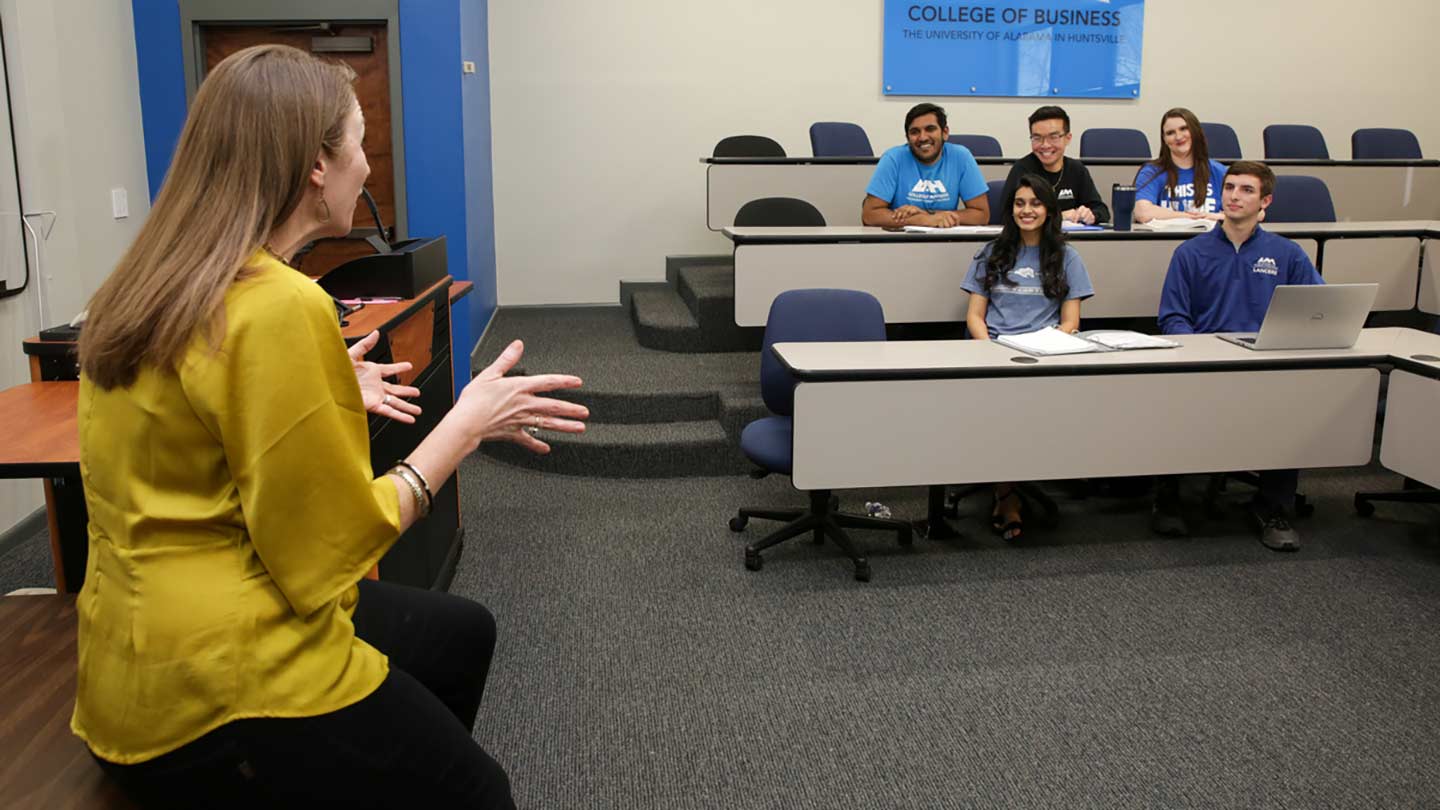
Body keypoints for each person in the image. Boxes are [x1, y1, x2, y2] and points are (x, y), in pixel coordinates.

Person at [71, 44, 589, 809]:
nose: (369, 168)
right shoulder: (279, 305)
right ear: (316, 163)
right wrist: (464, 424)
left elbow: (196, 420)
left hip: (130, 665)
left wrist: (323, 383)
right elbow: (330, 550)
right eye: (356, 142)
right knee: (481, 791)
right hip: (221, 687)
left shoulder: (153, 283)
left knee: (459, 633)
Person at [1153, 160, 1322, 551]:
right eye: (1229, 187)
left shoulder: (1287, 253)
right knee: (1165, 397)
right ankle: (1168, 498)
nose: (1233, 196)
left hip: (1267, 363)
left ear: (1265, 201)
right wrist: (1199, 352)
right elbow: (1173, 316)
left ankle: (1272, 506)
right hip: (1203, 362)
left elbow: (1316, 307)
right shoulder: (1190, 253)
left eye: (1246, 189)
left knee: (1290, 409)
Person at [961, 175, 1094, 540]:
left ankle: (1007, 492)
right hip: (995, 351)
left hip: (1045, 354)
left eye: (1035, 203)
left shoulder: (1068, 256)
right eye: (1020, 203)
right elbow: (975, 315)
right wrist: (989, 347)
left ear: (1049, 210)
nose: (1027, 210)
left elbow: (1071, 323)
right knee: (1004, 405)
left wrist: (1042, 347)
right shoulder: (991, 252)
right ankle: (1008, 496)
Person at [862, 102, 990, 228]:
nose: (922, 137)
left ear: (945, 133)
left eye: (930, 129)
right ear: (907, 137)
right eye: (915, 132)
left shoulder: (961, 156)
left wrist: (931, 215)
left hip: (946, 242)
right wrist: (922, 220)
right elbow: (869, 215)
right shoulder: (893, 158)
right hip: (899, 243)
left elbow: (981, 214)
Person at [1000, 105, 1110, 225]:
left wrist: (1091, 215)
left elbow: (1102, 211)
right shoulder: (1022, 170)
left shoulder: (1077, 170)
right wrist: (1059, 217)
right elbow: (1005, 215)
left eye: (1053, 137)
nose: (1045, 145)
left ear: (1068, 138)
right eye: (1037, 138)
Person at [1133, 107, 1228, 223]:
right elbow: (1142, 213)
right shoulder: (1151, 172)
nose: (1178, 137)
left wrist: (1218, 217)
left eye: (1184, 129)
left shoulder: (1219, 171)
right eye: (1170, 133)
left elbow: (1251, 214)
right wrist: (1191, 218)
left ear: (1195, 131)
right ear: (1164, 139)